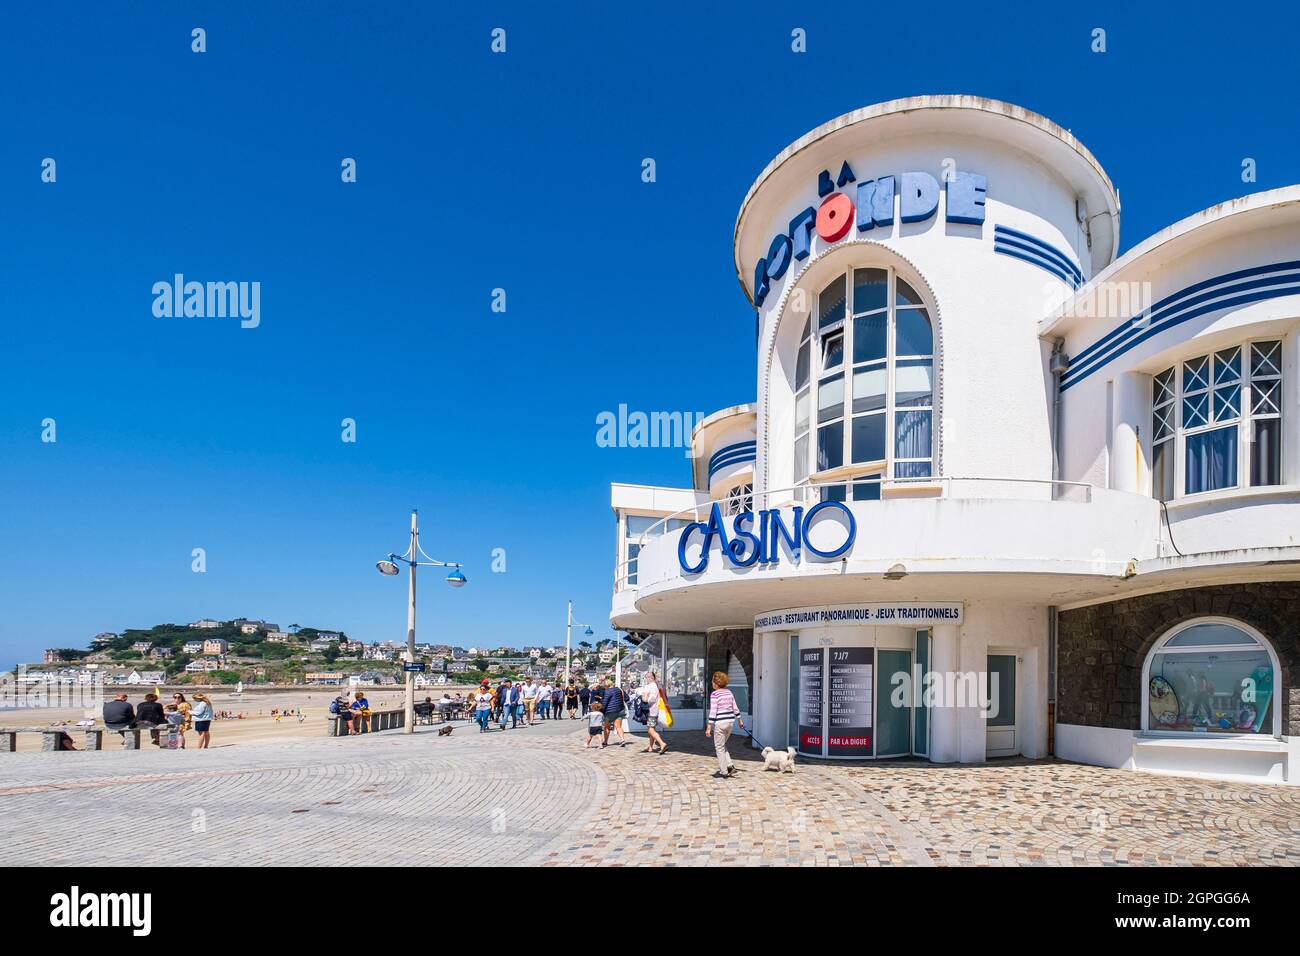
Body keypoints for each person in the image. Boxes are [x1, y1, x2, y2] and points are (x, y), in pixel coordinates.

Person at [705, 671, 744, 778]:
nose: (712, 682)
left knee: (719, 747)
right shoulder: (729, 692)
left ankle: (724, 771)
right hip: (731, 722)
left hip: (720, 723)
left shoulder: (714, 694)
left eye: (713, 680)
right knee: (722, 745)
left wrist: (709, 726)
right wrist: (740, 720)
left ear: (716, 683)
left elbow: (713, 711)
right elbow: (735, 707)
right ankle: (730, 765)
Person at [639, 671, 667, 755]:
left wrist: (642, 695)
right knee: (652, 729)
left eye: (647, 677)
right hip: (656, 710)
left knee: (651, 730)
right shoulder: (656, 686)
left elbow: (646, 699)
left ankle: (662, 743)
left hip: (650, 710)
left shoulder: (648, 686)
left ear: (649, 677)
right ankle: (650, 747)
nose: (646, 679)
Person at [599, 676, 627, 747]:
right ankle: (622, 740)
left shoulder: (607, 691)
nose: (604, 687)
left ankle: (605, 741)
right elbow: (627, 698)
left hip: (610, 712)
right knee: (618, 727)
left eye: (605, 686)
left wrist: (601, 710)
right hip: (620, 710)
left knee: (607, 727)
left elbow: (604, 703)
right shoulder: (619, 689)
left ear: (607, 685)